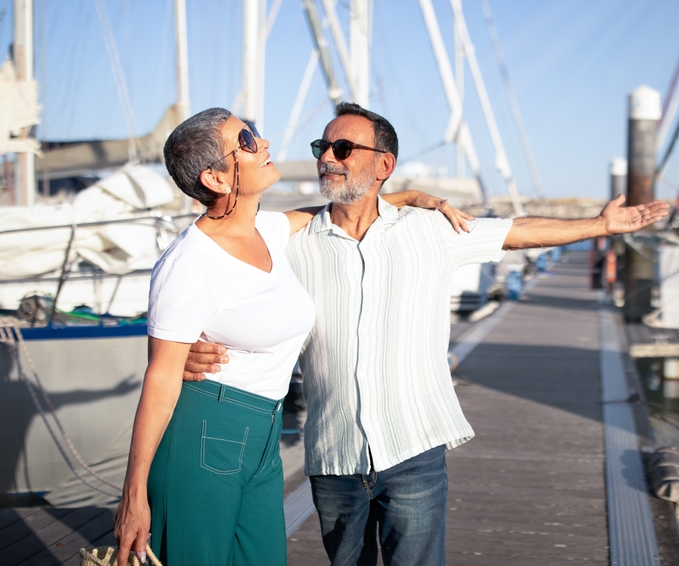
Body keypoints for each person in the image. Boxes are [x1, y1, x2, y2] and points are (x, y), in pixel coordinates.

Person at [184, 102, 670, 566]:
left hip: (413, 449)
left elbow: (519, 232)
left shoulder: (431, 230)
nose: (328, 158)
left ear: (384, 164)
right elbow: (220, 275)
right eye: (322, 147)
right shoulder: (292, 239)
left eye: (343, 149)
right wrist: (186, 344)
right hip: (334, 456)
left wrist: (600, 225)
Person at [113, 107, 471, 566]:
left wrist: (416, 197)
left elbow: (348, 204)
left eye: (255, 133)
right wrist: (133, 494)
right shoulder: (187, 263)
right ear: (216, 179)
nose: (262, 142)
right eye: (245, 141)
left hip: (265, 434)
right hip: (206, 430)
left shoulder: (268, 229)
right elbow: (161, 377)